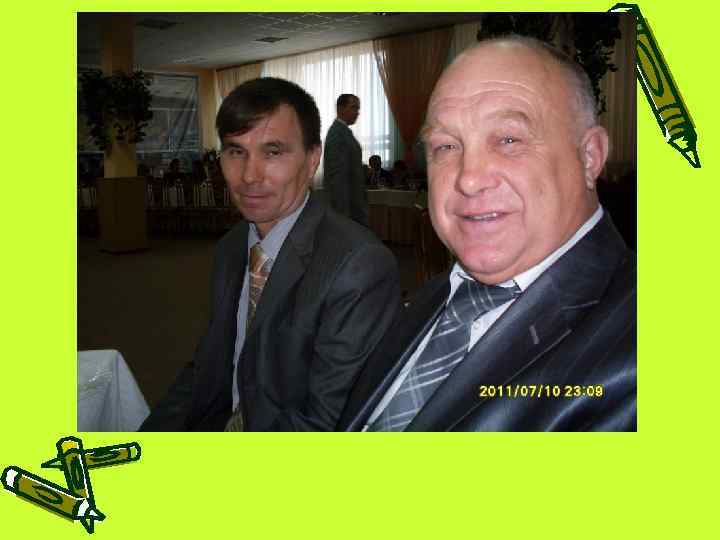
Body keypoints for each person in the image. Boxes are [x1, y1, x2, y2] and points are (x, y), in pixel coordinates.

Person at [339, 36, 636, 432]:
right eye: (446, 146)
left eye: (509, 139)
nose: (468, 178)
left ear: (589, 156)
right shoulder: (430, 297)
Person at [140, 77, 400, 431]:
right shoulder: (232, 247)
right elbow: (209, 368)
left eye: (273, 152)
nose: (249, 176)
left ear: (312, 160)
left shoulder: (358, 266)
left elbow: (324, 424)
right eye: (236, 152)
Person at [323, 94, 368, 225]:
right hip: (346, 207)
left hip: (352, 203)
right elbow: (337, 178)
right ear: (340, 109)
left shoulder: (344, 131)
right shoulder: (337, 133)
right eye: (353, 107)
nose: (357, 112)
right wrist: (342, 215)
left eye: (358, 108)